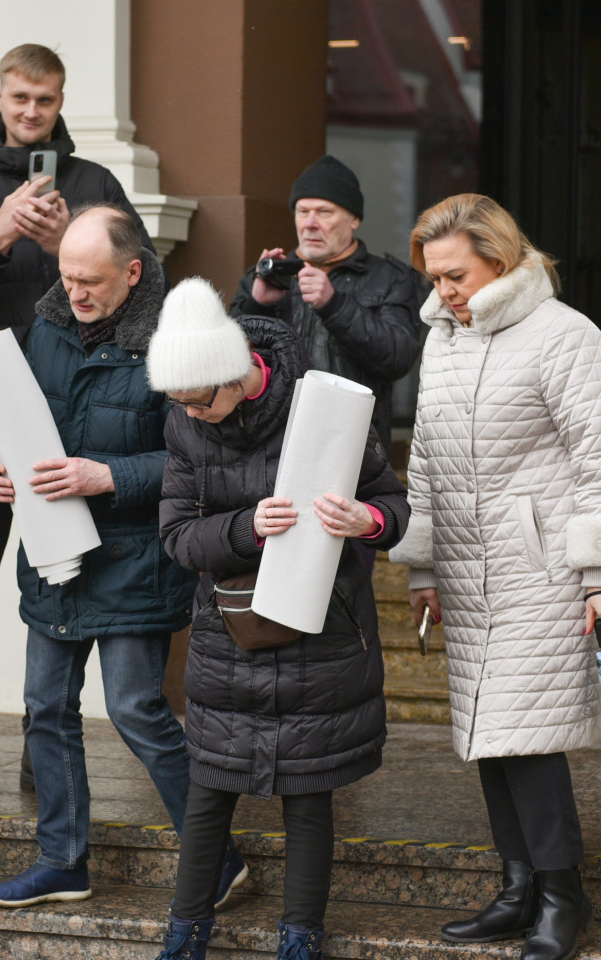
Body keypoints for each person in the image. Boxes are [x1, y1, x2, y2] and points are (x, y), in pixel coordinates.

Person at [391, 194, 601, 960]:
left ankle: (560, 898)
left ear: (499, 261)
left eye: (455, 274)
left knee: (528, 738)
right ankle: (517, 890)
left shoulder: (566, 337)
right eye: (434, 277)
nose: (442, 290)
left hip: (539, 569)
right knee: (490, 734)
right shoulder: (442, 338)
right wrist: (421, 569)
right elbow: (428, 465)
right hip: (468, 573)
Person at [0, 206, 246, 909]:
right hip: (54, 554)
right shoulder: (47, 327)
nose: (75, 294)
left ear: (134, 273)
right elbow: (27, 429)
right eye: (66, 278)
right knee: (45, 710)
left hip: (132, 560)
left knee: (135, 711)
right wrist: (1, 470)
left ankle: (218, 857)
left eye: (90, 281)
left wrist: (108, 476)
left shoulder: (174, 342)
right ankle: (62, 860)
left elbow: (201, 459)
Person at [145, 278, 410, 960]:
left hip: (318, 633)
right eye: (179, 403)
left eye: (199, 400)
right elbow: (177, 538)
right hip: (226, 637)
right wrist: (243, 527)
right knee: (207, 799)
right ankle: (183, 937)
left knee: (309, 797)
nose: (192, 415)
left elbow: (392, 504)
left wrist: (369, 520)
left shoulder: (326, 406)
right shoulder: (184, 423)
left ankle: (300, 940)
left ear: (237, 375)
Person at [0, 42, 156, 798]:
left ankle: (42, 734)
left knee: (73, 569)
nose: (31, 113)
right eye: (19, 99)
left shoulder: (95, 184)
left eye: (45, 101)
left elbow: (146, 284)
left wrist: (63, 242)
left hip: (87, 403)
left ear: (61, 102)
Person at [229, 154, 422, 454]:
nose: (310, 224)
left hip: (354, 447)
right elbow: (228, 364)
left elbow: (398, 357)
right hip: (271, 445)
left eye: (324, 212)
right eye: (302, 211)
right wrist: (257, 306)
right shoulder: (266, 277)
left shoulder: (389, 278)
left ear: (354, 219)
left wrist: (334, 305)